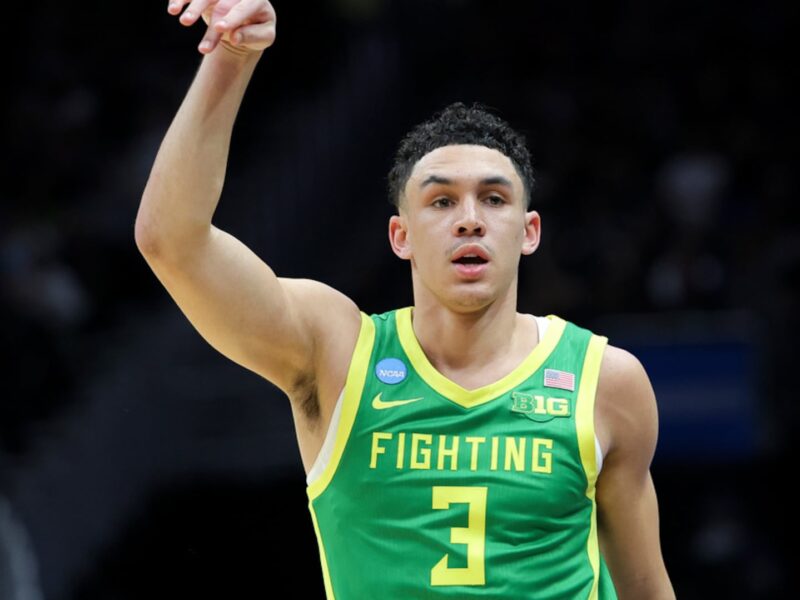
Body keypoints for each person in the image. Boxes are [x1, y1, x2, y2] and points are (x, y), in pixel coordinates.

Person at [135, 1, 676, 598]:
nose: (469, 220)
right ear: (401, 236)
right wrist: (232, 58)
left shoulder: (607, 382)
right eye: (441, 201)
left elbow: (646, 589)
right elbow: (171, 241)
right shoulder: (337, 353)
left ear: (529, 232)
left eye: (494, 199)